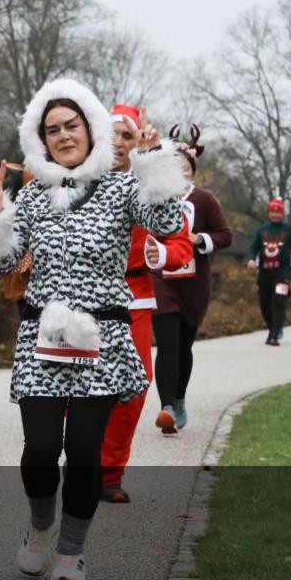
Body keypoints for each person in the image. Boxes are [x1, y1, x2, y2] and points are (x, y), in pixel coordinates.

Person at [0, 78, 185, 580]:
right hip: (42, 339)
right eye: (53, 130)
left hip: (102, 339)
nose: (64, 136)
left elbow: (169, 221)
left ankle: (71, 551)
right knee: (42, 450)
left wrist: (152, 160)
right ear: (40, 140)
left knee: (85, 452)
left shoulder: (120, 186)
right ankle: (40, 528)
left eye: (72, 126)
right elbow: (2, 267)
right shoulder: (33, 196)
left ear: (90, 130)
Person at [100, 104, 194, 504]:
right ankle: (78, 460)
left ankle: (109, 474)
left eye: (127, 136)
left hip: (135, 298)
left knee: (133, 388)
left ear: (138, 142)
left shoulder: (151, 185)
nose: (119, 144)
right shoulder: (79, 179)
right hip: (80, 299)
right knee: (75, 386)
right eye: (112, 135)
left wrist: (161, 255)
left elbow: (181, 245)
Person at [151, 125, 231, 432]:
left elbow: (226, 236)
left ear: (193, 171)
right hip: (163, 278)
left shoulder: (205, 199)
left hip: (195, 283)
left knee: (184, 347)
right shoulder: (155, 197)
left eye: (185, 167)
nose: (180, 172)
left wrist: (200, 239)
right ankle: (166, 407)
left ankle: (180, 399)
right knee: (167, 344)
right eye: (174, 167)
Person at [246, 198, 291, 346]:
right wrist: (251, 259)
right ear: (269, 213)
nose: (275, 215)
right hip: (265, 272)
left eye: (278, 212)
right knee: (265, 304)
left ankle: (274, 335)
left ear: (282, 214)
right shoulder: (262, 230)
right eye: (272, 212)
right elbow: (253, 248)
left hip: (283, 273)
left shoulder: (289, 230)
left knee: (279, 299)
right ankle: (274, 328)